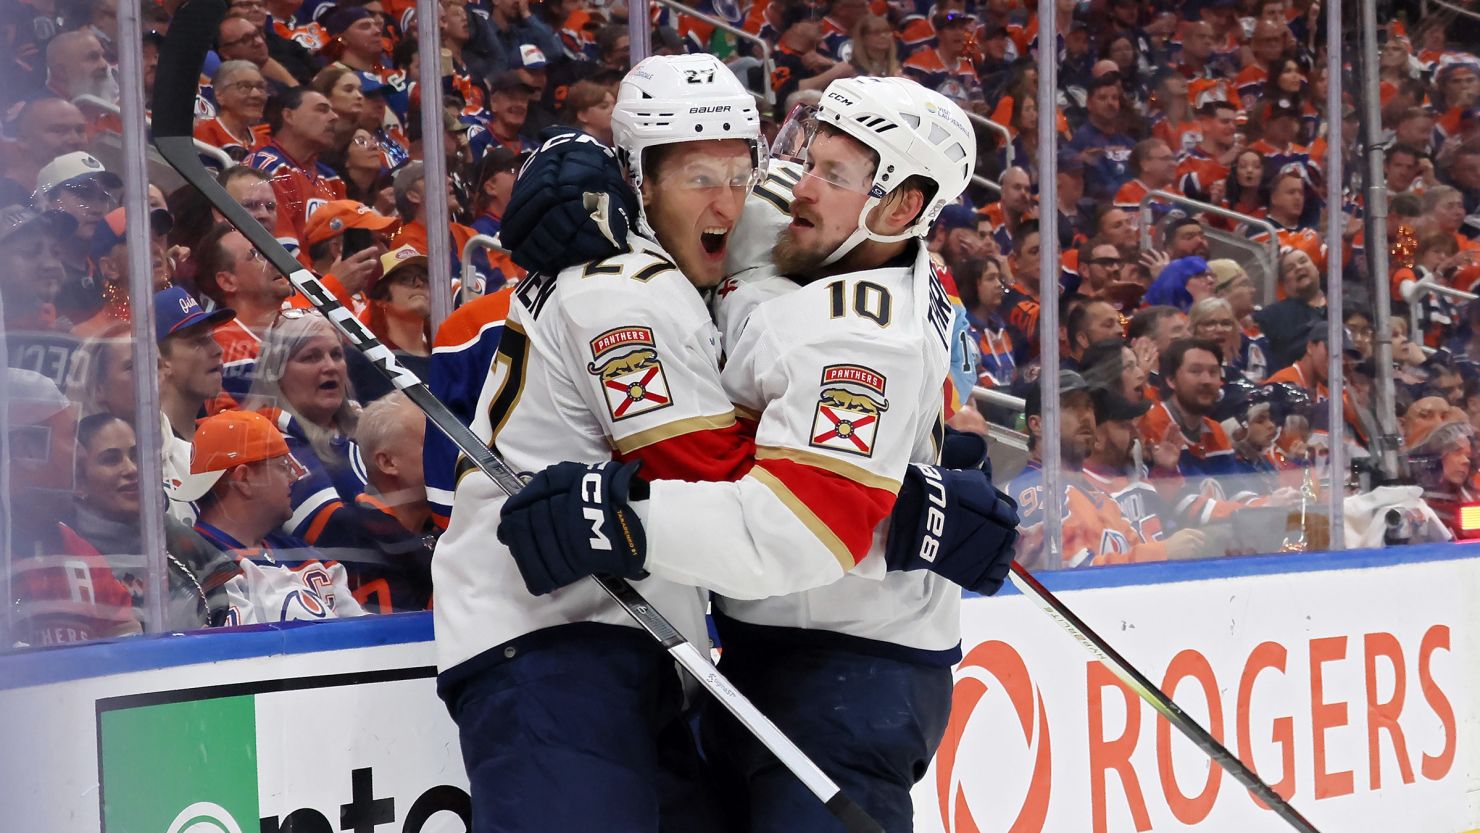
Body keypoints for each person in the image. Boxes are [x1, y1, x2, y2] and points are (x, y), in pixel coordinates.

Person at [441, 60, 1014, 833]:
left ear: (902, 204)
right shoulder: (646, 282)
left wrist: (887, 489)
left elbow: (797, 518)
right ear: (637, 181)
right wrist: (561, 156)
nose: (782, 190)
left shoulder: (854, 319)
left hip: (818, 656)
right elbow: (729, 478)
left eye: (745, 170)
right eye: (807, 160)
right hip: (566, 640)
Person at [169, 409, 366, 625]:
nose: (293, 478)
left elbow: (366, 635)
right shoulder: (200, 568)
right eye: (283, 467)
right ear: (244, 479)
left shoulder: (306, 556)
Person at [1007, 370, 1202, 568]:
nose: (1086, 417)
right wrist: (1163, 552)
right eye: (1070, 406)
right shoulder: (1034, 491)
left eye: (1089, 407)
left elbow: (1138, 551)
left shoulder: (1098, 495)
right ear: (1037, 424)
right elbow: (1071, 575)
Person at [241, 310, 367, 546]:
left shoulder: (368, 427)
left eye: (336, 355)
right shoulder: (267, 441)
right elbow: (336, 532)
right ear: (275, 373)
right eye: (311, 357)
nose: (330, 366)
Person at [155, 286, 236, 522]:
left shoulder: (221, 440)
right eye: (198, 342)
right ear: (160, 360)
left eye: (211, 338)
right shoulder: (152, 455)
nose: (218, 350)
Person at [244, 87, 347, 252]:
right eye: (322, 110)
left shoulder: (331, 178)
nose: (334, 117)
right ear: (289, 116)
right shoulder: (267, 168)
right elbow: (281, 253)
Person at [350, 245, 432, 401]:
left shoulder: (445, 356)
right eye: (406, 278)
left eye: (425, 278)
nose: (419, 283)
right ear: (381, 299)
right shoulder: (366, 362)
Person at [1255, 247, 1327, 370]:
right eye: (1289, 269)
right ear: (1284, 284)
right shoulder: (1273, 315)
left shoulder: (1343, 308)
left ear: (1316, 268)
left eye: (1303, 261)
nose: (1298, 268)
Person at [194, 60, 270, 161]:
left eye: (261, 87)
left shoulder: (265, 142)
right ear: (219, 95)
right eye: (244, 86)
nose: (256, 94)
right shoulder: (204, 132)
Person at [560, 79, 615, 145]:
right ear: (583, 115)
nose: (613, 110)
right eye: (604, 106)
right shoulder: (577, 149)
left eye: (615, 105)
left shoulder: (620, 143)